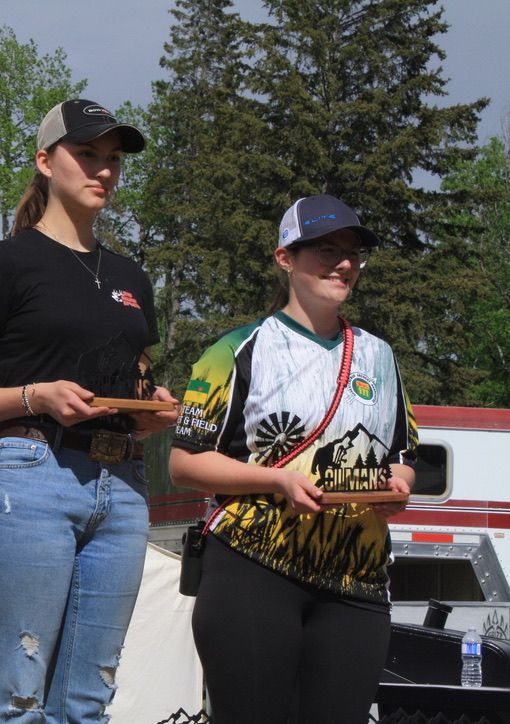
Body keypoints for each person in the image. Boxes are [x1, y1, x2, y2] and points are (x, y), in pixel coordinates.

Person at [0, 99, 179, 722]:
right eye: (87, 154)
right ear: (45, 161)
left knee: (88, 701)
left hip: (122, 487)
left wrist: (151, 408)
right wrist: (33, 395)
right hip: (31, 474)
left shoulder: (130, 276)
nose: (103, 170)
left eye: (114, 160)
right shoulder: (5, 261)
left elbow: (135, 377)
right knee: (18, 696)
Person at [169, 195, 418, 724]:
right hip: (254, 572)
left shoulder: (380, 355)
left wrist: (398, 482)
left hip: (356, 580)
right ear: (285, 257)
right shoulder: (236, 350)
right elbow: (185, 463)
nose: (344, 263)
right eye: (327, 249)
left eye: (354, 253)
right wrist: (277, 479)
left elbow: (402, 454)